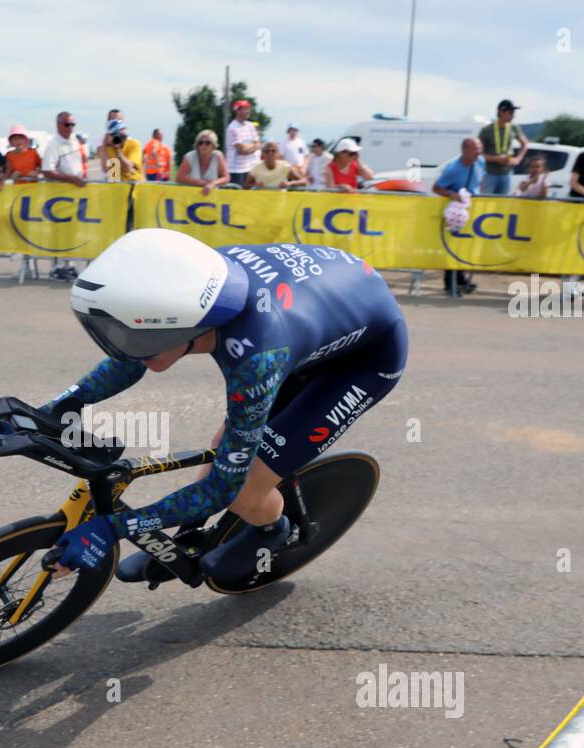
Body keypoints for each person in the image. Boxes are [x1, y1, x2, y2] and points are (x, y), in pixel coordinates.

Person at [42, 229, 407, 584]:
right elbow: (131, 357)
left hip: (363, 360)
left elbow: (222, 487)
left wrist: (116, 528)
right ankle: (190, 536)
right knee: (225, 451)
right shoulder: (198, 281)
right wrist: (60, 405)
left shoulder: (256, 358)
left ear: (182, 329)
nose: (122, 350)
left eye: (134, 340)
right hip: (316, 318)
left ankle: (272, 529)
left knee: (243, 488)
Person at [432, 137, 486, 296]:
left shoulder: (481, 162)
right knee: (453, 246)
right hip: (456, 212)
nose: (479, 152)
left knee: (465, 246)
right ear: (465, 150)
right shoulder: (453, 169)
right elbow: (437, 188)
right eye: (475, 149)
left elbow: (480, 181)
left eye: (480, 148)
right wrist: (451, 194)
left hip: (471, 209)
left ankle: (462, 280)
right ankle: (450, 284)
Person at [41, 111, 87, 280]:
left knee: (72, 231)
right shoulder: (53, 144)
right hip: (59, 195)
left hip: (76, 194)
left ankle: (70, 264)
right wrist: (71, 178)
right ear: (58, 125)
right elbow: (47, 170)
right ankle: (57, 266)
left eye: (73, 125)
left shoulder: (75, 141)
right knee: (59, 231)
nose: (70, 128)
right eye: (67, 124)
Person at [478, 99, 528, 195]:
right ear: (501, 112)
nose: (513, 115)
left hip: (506, 174)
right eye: (511, 112)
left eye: (513, 112)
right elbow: (479, 154)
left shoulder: (514, 128)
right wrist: (495, 159)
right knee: (486, 203)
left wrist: (518, 159)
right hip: (489, 174)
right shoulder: (487, 130)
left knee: (503, 204)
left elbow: (525, 143)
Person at [175, 129, 229, 194]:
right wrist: (202, 183)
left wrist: (213, 183)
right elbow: (179, 177)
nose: (204, 145)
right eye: (200, 143)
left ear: (213, 145)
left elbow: (226, 177)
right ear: (197, 145)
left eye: (207, 143)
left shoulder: (218, 156)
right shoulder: (190, 156)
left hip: (212, 198)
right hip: (190, 197)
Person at [225, 99, 260, 186]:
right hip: (235, 169)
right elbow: (242, 151)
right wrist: (253, 146)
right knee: (237, 196)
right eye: (245, 109)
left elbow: (258, 144)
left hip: (250, 167)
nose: (248, 111)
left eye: (248, 109)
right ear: (237, 111)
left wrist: (248, 147)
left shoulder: (250, 125)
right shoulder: (233, 128)